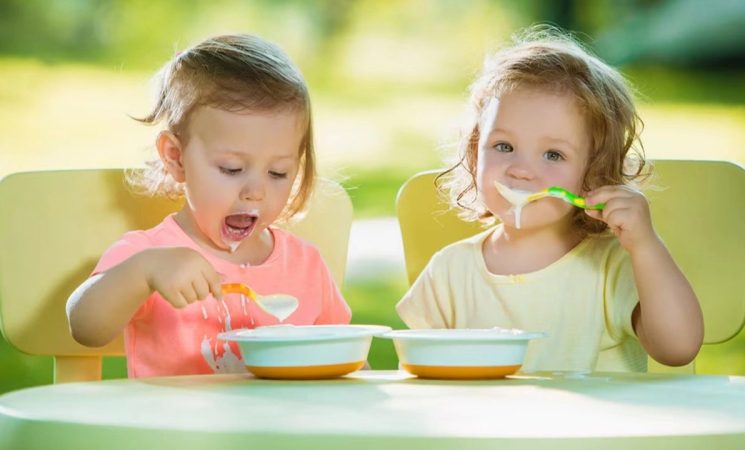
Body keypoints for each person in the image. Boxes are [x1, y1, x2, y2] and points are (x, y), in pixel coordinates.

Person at [396, 26, 703, 372]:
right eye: (504, 147)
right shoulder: (450, 272)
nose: (521, 170)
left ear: (595, 174)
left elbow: (678, 349)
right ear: (474, 154)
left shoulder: (613, 266)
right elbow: (422, 380)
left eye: (553, 155)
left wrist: (647, 246)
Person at [66, 34, 351, 377]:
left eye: (278, 172)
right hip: (174, 427)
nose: (255, 191)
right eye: (231, 169)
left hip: (279, 428)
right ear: (176, 157)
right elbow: (85, 327)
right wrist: (142, 272)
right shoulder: (152, 254)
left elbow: (344, 358)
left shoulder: (306, 265)